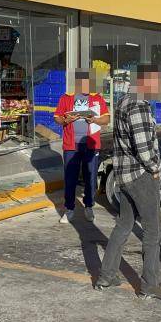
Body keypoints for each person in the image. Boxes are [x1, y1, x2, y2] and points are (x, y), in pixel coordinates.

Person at [95, 65, 161, 301]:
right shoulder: (139, 106)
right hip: (141, 176)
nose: (159, 88)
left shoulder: (123, 101)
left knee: (123, 225)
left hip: (123, 174)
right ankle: (150, 284)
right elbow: (143, 147)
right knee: (153, 230)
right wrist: (156, 168)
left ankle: (106, 275)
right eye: (157, 83)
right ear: (146, 82)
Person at [54, 70, 110, 223]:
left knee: (90, 176)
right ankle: (69, 208)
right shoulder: (66, 98)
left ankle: (89, 207)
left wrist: (95, 120)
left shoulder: (97, 98)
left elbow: (106, 119)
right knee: (70, 177)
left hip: (91, 144)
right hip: (71, 144)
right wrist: (66, 120)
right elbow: (57, 118)